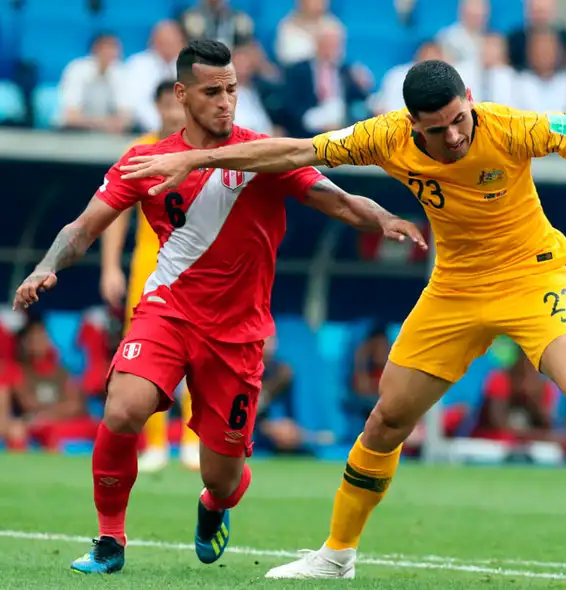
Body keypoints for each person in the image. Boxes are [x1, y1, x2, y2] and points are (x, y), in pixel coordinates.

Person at [120, 59, 566, 578]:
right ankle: (336, 555)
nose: (453, 135)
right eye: (437, 128)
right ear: (413, 125)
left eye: (459, 120)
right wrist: (201, 158)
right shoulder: (384, 137)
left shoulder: (512, 127)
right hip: (454, 290)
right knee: (386, 420)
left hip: (532, 277)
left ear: (470, 103)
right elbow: (295, 151)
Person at [12, 39, 424, 575]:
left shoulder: (264, 156)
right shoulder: (146, 160)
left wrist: (383, 218)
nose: (225, 101)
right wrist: (45, 266)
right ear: (182, 94)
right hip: (168, 311)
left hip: (237, 333)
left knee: (222, 478)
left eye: (231, 89)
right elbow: (84, 227)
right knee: (122, 409)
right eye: (212, 92)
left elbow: (339, 200)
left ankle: (213, 506)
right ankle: (109, 540)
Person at [100, 80, 200, 473]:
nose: (173, 113)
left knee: (198, 351)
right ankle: (154, 444)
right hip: (149, 262)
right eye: (166, 106)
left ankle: (192, 441)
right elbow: (116, 211)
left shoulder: (202, 149)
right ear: (158, 107)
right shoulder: (140, 151)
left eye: (178, 106)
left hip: (195, 263)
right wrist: (111, 267)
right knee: (143, 354)